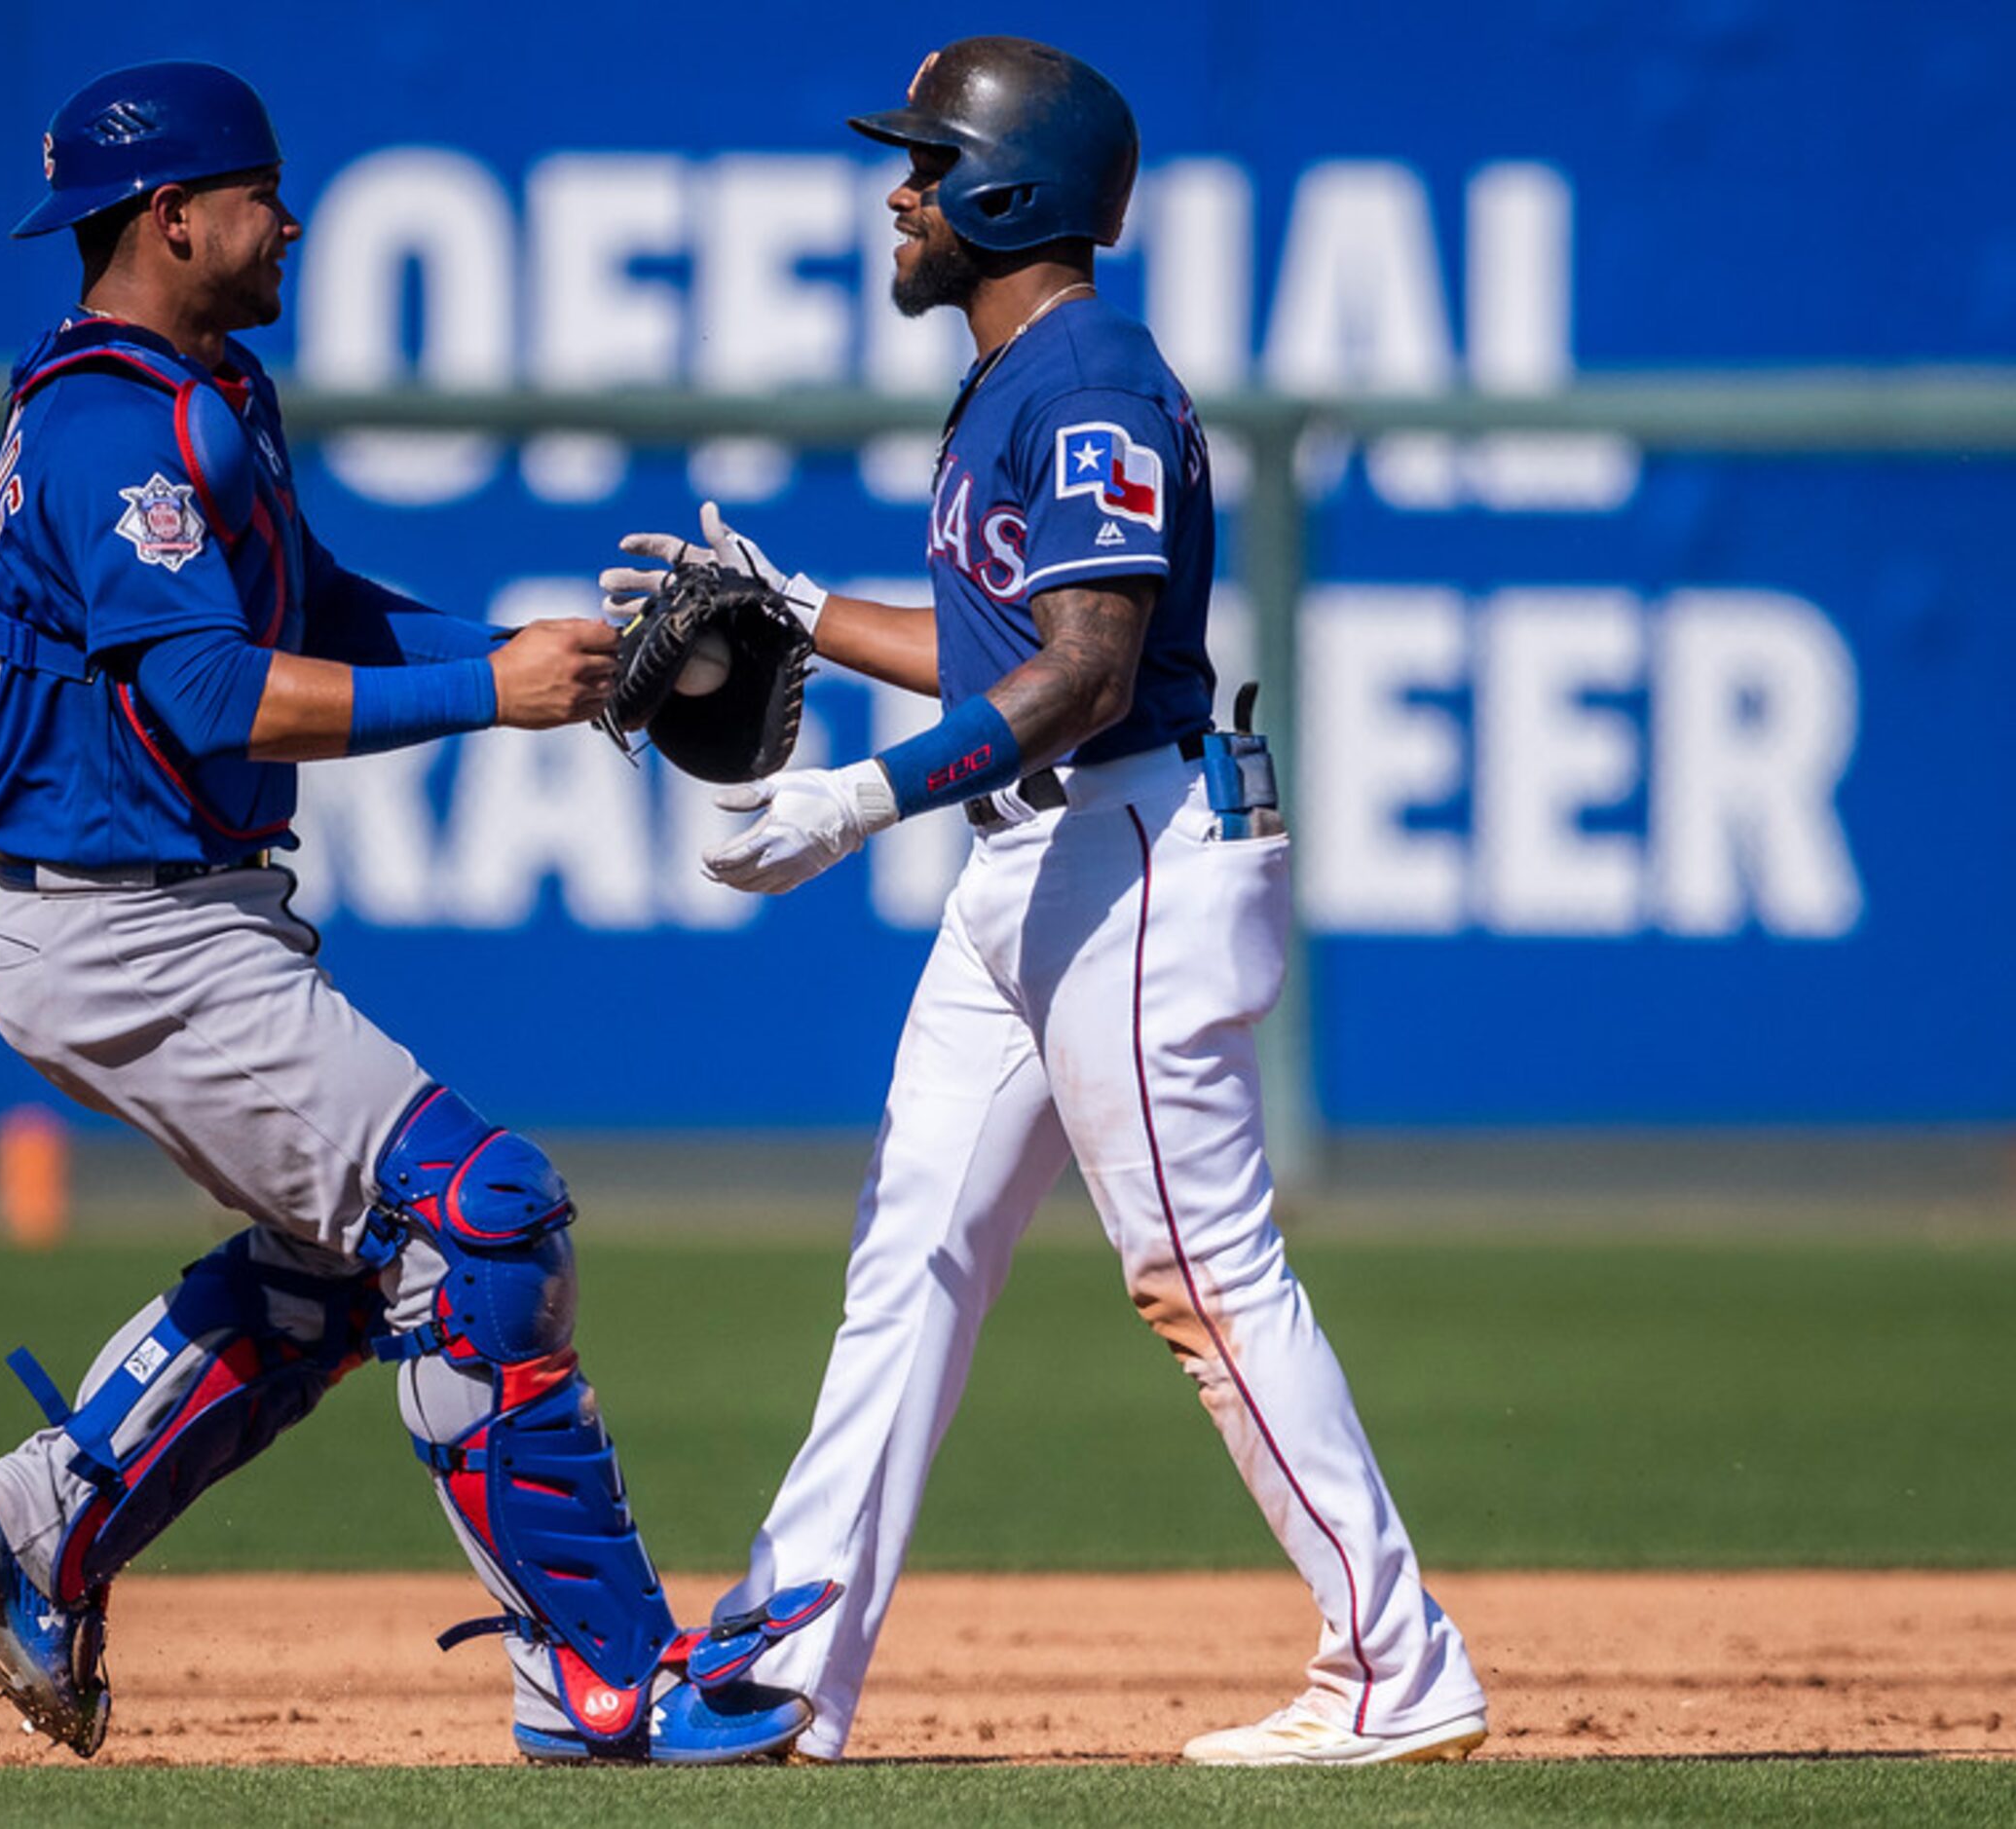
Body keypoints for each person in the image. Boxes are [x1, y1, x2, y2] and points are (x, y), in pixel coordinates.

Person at [600, 36, 1487, 1766]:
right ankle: (789, 1667)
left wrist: (858, 798)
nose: (899, 193)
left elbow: (1083, 673)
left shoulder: (1085, 380)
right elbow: (1004, 645)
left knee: (1199, 1270)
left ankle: (1396, 1662)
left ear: (1009, 191)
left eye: (928, 165)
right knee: (910, 1252)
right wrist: (804, 605)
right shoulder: (1015, 378)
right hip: (1036, 868)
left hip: (1132, 853)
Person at [0, 59, 833, 1766]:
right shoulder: (115, 425)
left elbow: (316, 605)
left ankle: (51, 1514)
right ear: (169, 218)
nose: (292, 219)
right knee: (485, 1217)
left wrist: (532, 661)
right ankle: (601, 1675)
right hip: (126, 931)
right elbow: (208, 691)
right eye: (261, 193)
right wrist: (488, 696)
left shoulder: (207, 390)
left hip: (170, 913)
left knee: (353, 1269)